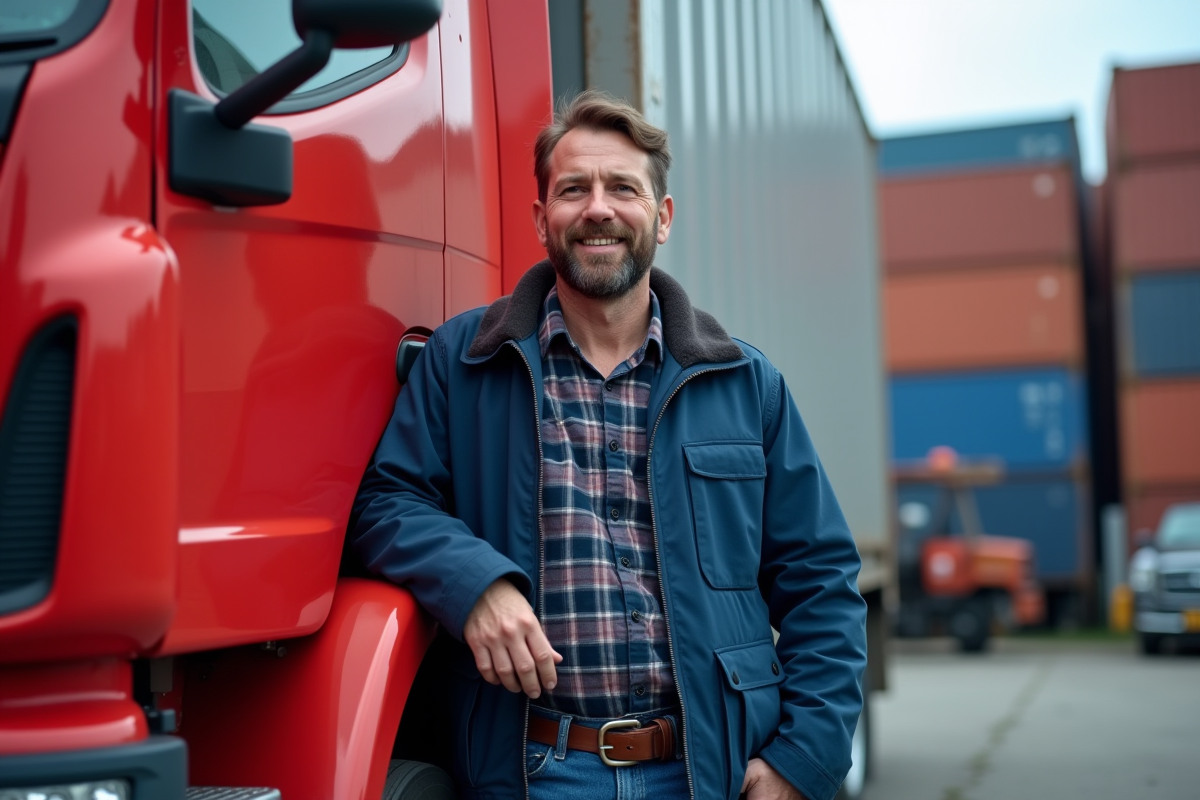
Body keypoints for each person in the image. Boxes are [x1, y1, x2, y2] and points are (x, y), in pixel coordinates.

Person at [352, 89, 866, 800]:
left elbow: (821, 583)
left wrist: (801, 762)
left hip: (706, 773)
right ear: (541, 219)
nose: (598, 208)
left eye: (623, 187)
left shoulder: (746, 384)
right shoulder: (463, 362)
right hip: (536, 771)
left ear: (663, 216)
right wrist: (475, 586)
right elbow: (385, 502)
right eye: (574, 189)